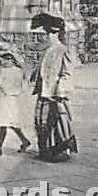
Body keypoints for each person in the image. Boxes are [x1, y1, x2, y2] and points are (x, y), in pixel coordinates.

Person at [31, 13, 79, 162]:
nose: (44, 37)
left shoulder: (63, 50)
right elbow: (43, 69)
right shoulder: (48, 50)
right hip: (44, 91)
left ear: (55, 33)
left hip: (55, 93)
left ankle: (60, 150)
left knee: (58, 121)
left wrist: (60, 89)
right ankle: (44, 150)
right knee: (41, 120)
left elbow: (67, 72)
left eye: (46, 33)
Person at [0, 42, 31, 156]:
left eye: (5, 59)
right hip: (10, 99)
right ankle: (24, 141)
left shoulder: (13, 71)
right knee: (9, 123)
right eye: (2, 59)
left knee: (5, 123)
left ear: (12, 59)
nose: (3, 61)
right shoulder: (7, 71)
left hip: (12, 99)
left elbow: (23, 85)